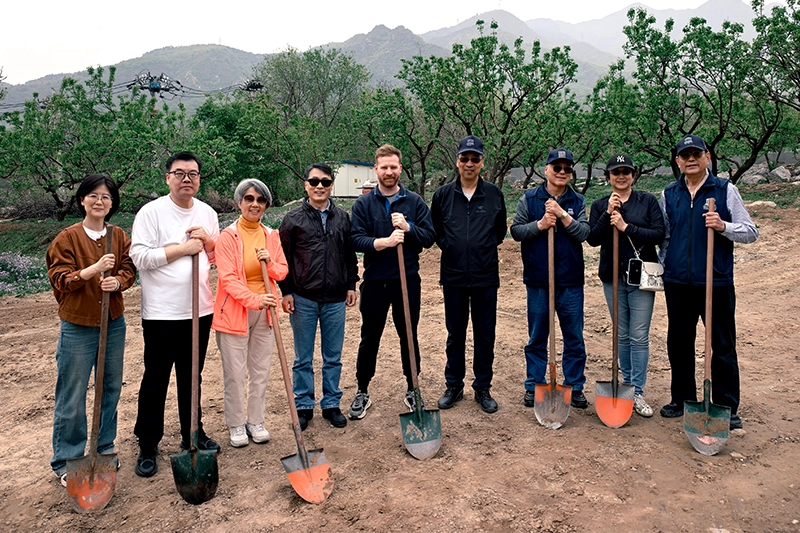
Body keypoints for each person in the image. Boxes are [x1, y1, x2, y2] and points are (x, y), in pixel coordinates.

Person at [130, 151, 221, 478]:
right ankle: (148, 443)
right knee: (156, 378)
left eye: (193, 174)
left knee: (191, 376)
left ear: (199, 179)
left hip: (200, 310)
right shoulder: (151, 213)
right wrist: (183, 249)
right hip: (161, 313)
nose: (187, 179)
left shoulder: (208, 212)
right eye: (180, 173)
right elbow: (139, 257)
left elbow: (217, 256)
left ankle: (191, 433)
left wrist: (209, 241)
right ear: (167, 177)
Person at [658, 135, 758, 430]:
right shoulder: (669, 194)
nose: (690, 159)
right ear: (677, 161)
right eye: (684, 154)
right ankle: (683, 398)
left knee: (722, 344)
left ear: (707, 157)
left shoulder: (725, 190)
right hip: (678, 282)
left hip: (716, 280)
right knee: (679, 342)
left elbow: (751, 231)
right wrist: (666, 268)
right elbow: (665, 236)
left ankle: (726, 405)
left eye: (696, 154)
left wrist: (724, 226)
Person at [46, 174, 136, 486]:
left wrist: (118, 281)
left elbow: (128, 268)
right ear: (82, 200)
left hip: (113, 322)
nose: (100, 202)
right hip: (78, 326)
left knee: (110, 387)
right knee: (72, 394)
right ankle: (68, 459)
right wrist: (91, 271)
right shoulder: (67, 238)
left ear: (112, 204)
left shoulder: (118, 235)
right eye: (93, 196)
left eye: (106, 197)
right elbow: (60, 278)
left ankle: (104, 448)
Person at [348, 144, 436, 419]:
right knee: (369, 337)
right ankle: (362, 389)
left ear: (400, 168)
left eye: (393, 167)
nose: (389, 172)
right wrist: (382, 242)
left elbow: (429, 237)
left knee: (408, 336)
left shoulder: (414, 202)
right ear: (376, 169)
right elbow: (354, 239)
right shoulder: (363, 204)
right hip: (375, 281)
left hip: (406, 281)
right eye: (384, 167)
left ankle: (413, 388)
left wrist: (409, 229)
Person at [278, 163, 359, 430]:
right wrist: (286, 291)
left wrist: (351, 284)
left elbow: (349, 255)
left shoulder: (342, 218)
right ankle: (303, 406)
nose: (319, 186)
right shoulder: (292, 220)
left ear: (331, 185)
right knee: (303, 357)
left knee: (333, 355)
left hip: (335, 298)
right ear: (306, 185)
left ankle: (331, 404)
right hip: (303, 298)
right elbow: (283, 259)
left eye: (325, 182)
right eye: (314, 182)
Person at [430, 136, 507, 414]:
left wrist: (481, 248)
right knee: (455, 334)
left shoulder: (494, 195)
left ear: (482, 162)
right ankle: (454, 385)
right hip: (453, 276)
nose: (470, 163)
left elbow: (500, 232)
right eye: (465, 158)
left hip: (486, 275)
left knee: (485, 334)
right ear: (457, 161)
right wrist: (452, 246)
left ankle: (483, 387)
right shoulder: (442, 196)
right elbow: (437, 230)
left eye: (475, 159)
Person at [510, 148, 591, 409]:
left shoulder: (577, 201)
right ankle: (535, 384)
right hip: (538, 280)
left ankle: (575, 386)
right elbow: (516, 231)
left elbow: (583, 233)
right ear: (546, 170)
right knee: (537, 337)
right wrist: (541, 225)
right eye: (557, 168)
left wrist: (562, 215)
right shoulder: (530, 199)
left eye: (567, 168)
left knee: (574, 337)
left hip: (569, 281)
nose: (562, 172)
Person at [587, 154, 666, 417]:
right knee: (621, 334)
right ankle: (626, 385)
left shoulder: (648, 201)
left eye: (626, 171)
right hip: (613, 277)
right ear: (608, 177)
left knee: (639, 335)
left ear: (633, 175)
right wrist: (608, 213)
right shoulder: (600, 204)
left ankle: (638, 389)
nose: (621, 176)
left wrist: (626, 226)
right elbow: (594, 239)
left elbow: (658, 233)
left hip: (642, 277)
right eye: (615, 172)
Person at [212, 179, 287, 447]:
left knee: (260, 370)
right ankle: (236, 424)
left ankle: (256, 421)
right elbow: (229, 280)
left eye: (260, 200)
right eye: (249, 199)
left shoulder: (271, 235)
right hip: (235, 311)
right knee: (234, 372)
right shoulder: (227, 237)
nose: (255, 204)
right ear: (239, 202)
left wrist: (269, 261)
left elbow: (282, 271)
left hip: (265, 311)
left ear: (266, 205)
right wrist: (255, 299)